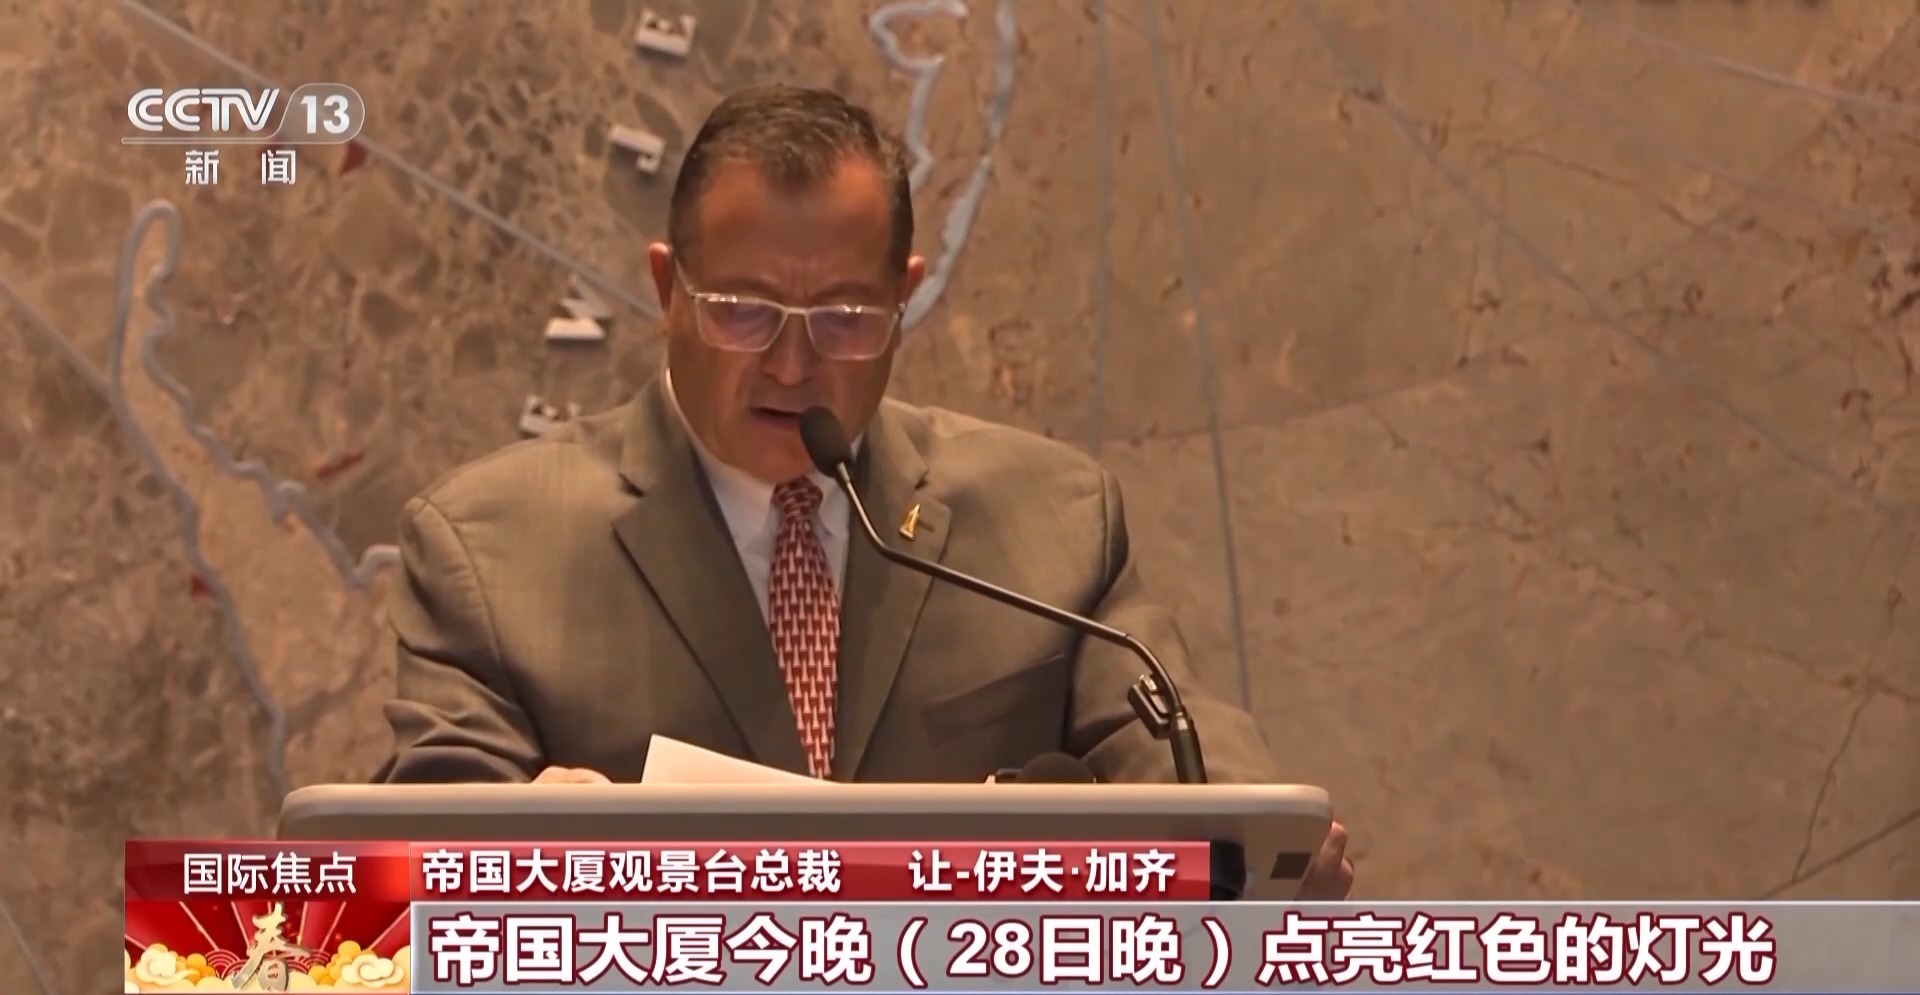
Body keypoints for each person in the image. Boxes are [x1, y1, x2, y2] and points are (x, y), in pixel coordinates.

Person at [375, 85, 1353, 899]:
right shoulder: (490, 547)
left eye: (846, 318)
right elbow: (398, 884)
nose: (792, 364)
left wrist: (1267, 851)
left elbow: (1192, 770)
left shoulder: (1052, 518)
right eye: (744, 313)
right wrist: (524, 860)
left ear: (905, 297)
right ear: (668, 290)